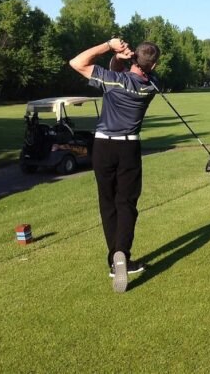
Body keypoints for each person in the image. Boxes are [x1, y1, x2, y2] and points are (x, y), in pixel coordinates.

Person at [69, 37, 161, 293]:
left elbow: (77, 62)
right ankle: (122, 253)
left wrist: (110, 46)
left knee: (108, 204)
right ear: (153, 66)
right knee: (126, 204)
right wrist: (123, 58)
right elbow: (126, 71)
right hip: (129, 148)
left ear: (134, 59)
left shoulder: (113, 81)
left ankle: (115, 259)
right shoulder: (152, 84)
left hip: (103, 147)